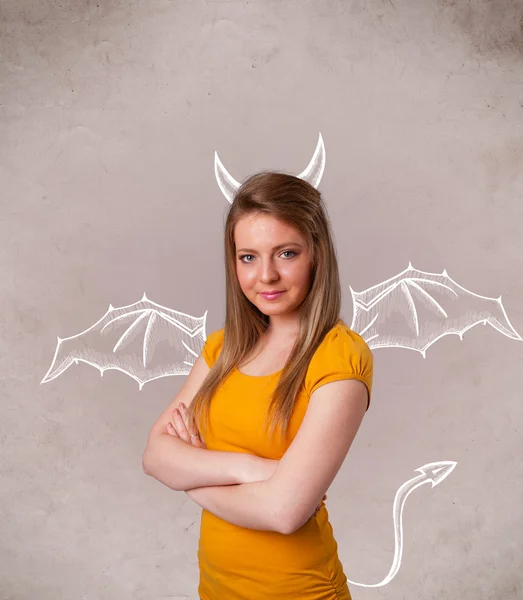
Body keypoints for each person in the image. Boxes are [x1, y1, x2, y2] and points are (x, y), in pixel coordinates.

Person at [142, 172, 373, 600]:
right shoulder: (223, 349)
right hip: (216, 589)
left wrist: (190, 478)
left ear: (316, 254)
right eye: (248, 257)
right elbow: (156, 456)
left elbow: (284, 512)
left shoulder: (339, 356)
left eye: (285, 253)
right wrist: (249, 469)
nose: (266, 275)